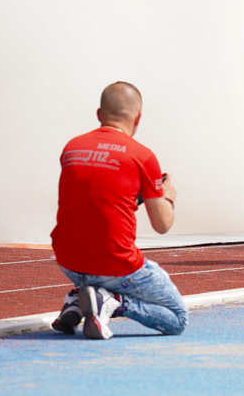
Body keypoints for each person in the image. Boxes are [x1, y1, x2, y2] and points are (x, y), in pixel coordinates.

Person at [50, 81, 188, 340]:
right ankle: (112, 301)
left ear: (99, 114)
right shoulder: (142, 156)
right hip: (115, 265)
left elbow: (94, 200)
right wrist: (168, 198)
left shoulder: (72, 148)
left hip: (68, 260)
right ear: (138, 118)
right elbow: (162, 225)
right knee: (178, 319)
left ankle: (79, 301)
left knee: (91, 264)